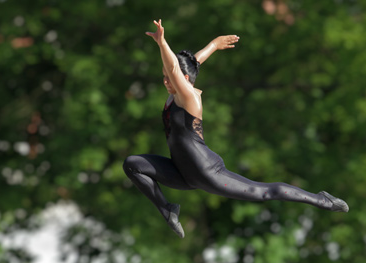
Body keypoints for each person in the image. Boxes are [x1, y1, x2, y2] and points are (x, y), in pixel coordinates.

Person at [123, 19, 348, 238]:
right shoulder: (177, 90)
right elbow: (191, 65)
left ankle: (322, 200)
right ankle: (168, 210)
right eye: (163, 77)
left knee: (264, 193)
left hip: (207, 171)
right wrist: (213, 45)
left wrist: (162, 43)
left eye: (169, 78)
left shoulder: (188, 97)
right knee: (133, 165)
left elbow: (175, 68)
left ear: (184, 80)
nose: (165, 81)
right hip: (182, 172)